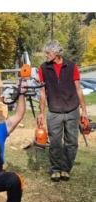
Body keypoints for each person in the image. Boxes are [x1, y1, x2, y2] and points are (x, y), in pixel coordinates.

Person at [37, 39, 88, 182]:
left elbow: (78, 89)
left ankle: (66, 169)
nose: (46, 55)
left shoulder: (72, 66)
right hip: (54, 112)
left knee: (71, 142)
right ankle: (56, 169)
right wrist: (41, 112)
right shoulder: (43, 68)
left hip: (72, 110)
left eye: (48, 52)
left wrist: (84, 110)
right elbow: (42, 92)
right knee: (54, 143)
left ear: (57, 52)